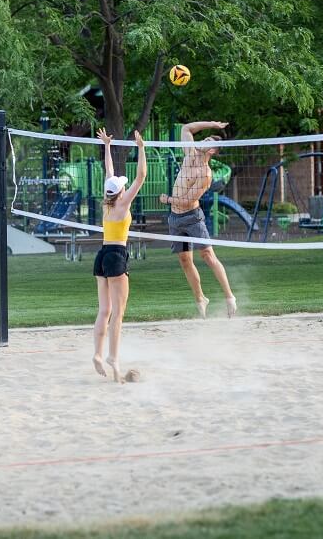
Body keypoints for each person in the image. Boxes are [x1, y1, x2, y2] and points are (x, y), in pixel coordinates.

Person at [159, 121, 237, 318]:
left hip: (192, 218)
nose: (203, 139)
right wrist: (212, 124)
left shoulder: (205, 175)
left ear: (211, 150)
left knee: (208, 256)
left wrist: (167, 199)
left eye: (208, 140)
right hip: (175, 219)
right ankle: (201, 298)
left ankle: (229, 297)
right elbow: (186, 128)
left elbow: (187, 201)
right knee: (185, 260)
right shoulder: (189, 155)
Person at [93, 128, 147, 383]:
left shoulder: (107, 201)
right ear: (120, 192)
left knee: (104, 310)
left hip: (102, 254)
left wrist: (107, 146)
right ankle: (114, 358)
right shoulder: (123, 203)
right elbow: (142, 176)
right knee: (118, 314)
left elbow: (109, 173)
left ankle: (97, 354)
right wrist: (141, 147)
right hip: (116, 255)